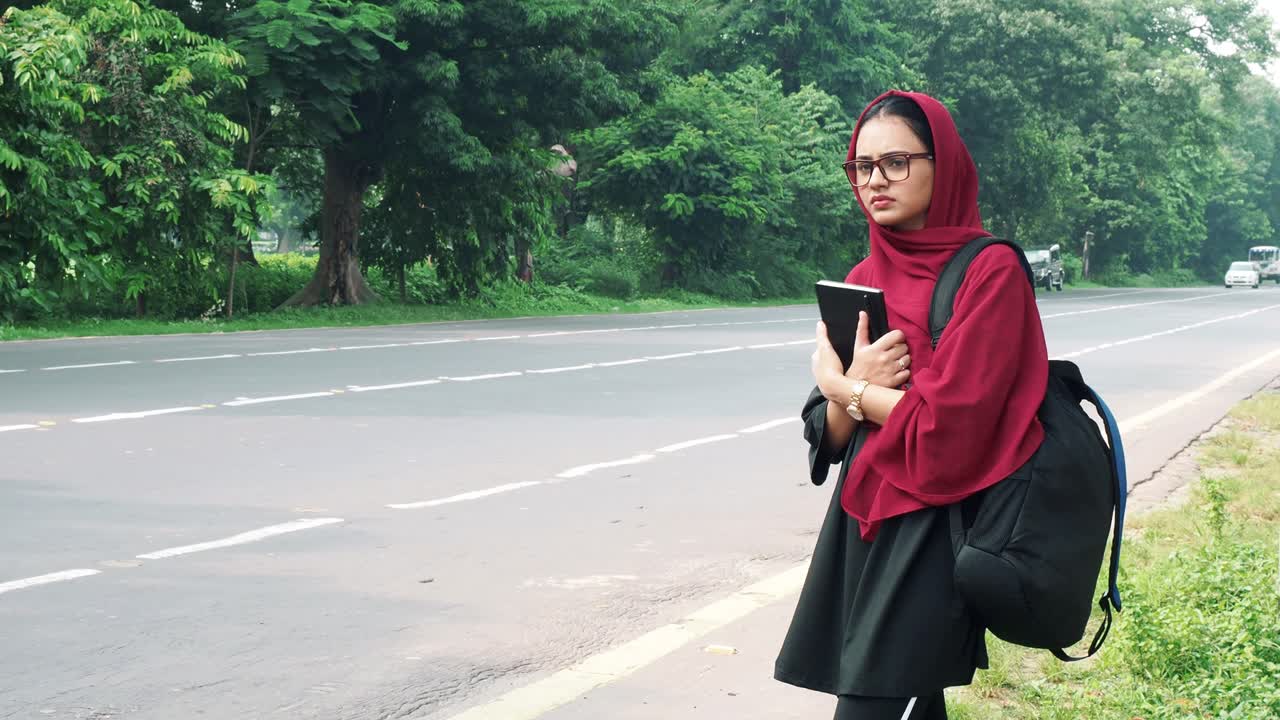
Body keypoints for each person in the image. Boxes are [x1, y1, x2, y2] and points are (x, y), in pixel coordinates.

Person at [773, 91, 1050, 719]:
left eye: (895, 162)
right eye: (862, 167)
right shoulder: (864, 274)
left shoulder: (991, 271)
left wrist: (846, 385)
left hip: (936, 524)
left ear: (941, 163)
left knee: (870, 705)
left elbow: (951, 427)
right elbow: (831, 436)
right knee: (910, 705)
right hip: (862, 519)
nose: (875, 180)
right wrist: (852, 395)